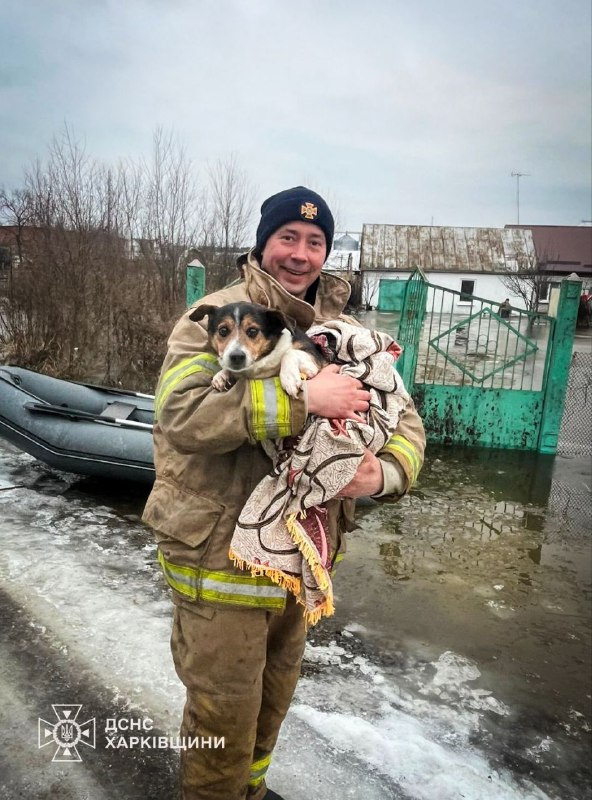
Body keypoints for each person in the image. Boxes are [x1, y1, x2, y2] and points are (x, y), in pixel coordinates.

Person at [142, 186, 426, 800]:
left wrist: (385, 474)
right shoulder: (218, 317)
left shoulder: (344, 333)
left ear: (326, 252)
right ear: (264, 242)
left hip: (298, 565)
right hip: (218, 560)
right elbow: (179, 415)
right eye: (287, 238)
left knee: (272, 703)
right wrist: (304, 402)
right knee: (223, 717)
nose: (300, 254)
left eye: (314, 242)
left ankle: (251, 792)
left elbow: (405, 418)